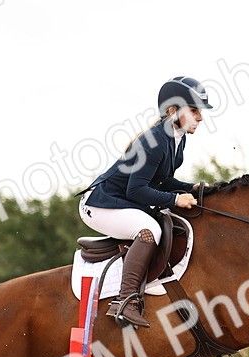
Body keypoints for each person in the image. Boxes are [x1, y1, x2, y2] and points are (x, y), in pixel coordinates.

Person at [79, 76, 212, 328]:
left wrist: (191, 188)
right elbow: (137, 189)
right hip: (99, 204)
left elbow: (163, 179)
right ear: (172, 111)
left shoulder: (177, 137)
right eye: (194, 110)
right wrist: (175, 199)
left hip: (123, 201)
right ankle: (125, 301)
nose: (200, 117)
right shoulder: (155, 142)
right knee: (149, 230)